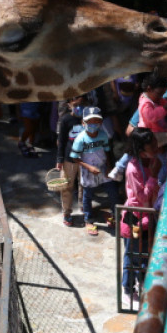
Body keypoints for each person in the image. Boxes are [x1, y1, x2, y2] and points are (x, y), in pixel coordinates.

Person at [120, 128, 163, 299]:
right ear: (140, 148)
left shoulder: (153, 159)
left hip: (148, 216)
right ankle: (128, 289)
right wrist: (153, 177)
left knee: (145, 252)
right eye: (151, 145)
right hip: (135, 216)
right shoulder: (133, 169)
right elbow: (143, 198)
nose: (156, 146)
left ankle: (143, 283)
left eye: (155, 142)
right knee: (132, 253)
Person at [69, 107, 116, 235]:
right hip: (87, 171)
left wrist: (109, 166)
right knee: (88, 196)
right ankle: (89, 220)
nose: (93, 124)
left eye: (96, 121)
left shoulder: (103, 135)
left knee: (112, 191)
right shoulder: (80, 139)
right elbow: (74, 158)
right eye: (90, 121)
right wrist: (88, 167)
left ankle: (114, 215)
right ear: (83, 123)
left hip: (103, 168)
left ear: (100, 123)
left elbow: (107, 151)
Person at [55, 94, 90, 226]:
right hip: (69, 159)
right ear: (69, 104)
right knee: (66, 186)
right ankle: (67, 212)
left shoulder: (88, 119)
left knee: (84, 184)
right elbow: (62, 141)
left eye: (81, 105)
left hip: (85, 158)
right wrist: (59, 159)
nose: (78, 108)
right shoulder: (65, 120)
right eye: (75, 105)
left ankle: (84, 206)